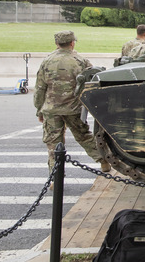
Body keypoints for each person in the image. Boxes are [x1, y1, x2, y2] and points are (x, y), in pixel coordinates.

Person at [35, 30, 110, 173]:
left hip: (51, 109)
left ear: (57, 44)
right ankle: (104, 161)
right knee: (84, 137)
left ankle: (55, 176)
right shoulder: (81, 61)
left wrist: (39, 109)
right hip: (74, 108)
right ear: (72, 43)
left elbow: (40, 88)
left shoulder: (47, 61)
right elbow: (91, 84)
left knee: (53, 144)